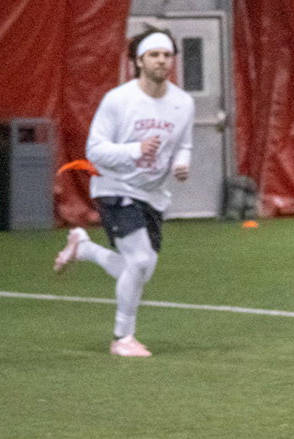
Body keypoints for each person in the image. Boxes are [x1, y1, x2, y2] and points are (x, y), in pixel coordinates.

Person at [53, 27, 193, 357]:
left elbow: (184, 145)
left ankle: (84, 248)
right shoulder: (118, 100)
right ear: (139, 61)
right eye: (154, 55)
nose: (162, 61)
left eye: (167, 55)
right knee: (139, 261)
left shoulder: (183, 103)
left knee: (140, 269)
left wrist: (181, 164)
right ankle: (122, 338)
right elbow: (95, 151)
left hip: (153, 194)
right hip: (115, 186)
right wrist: (135, 150)